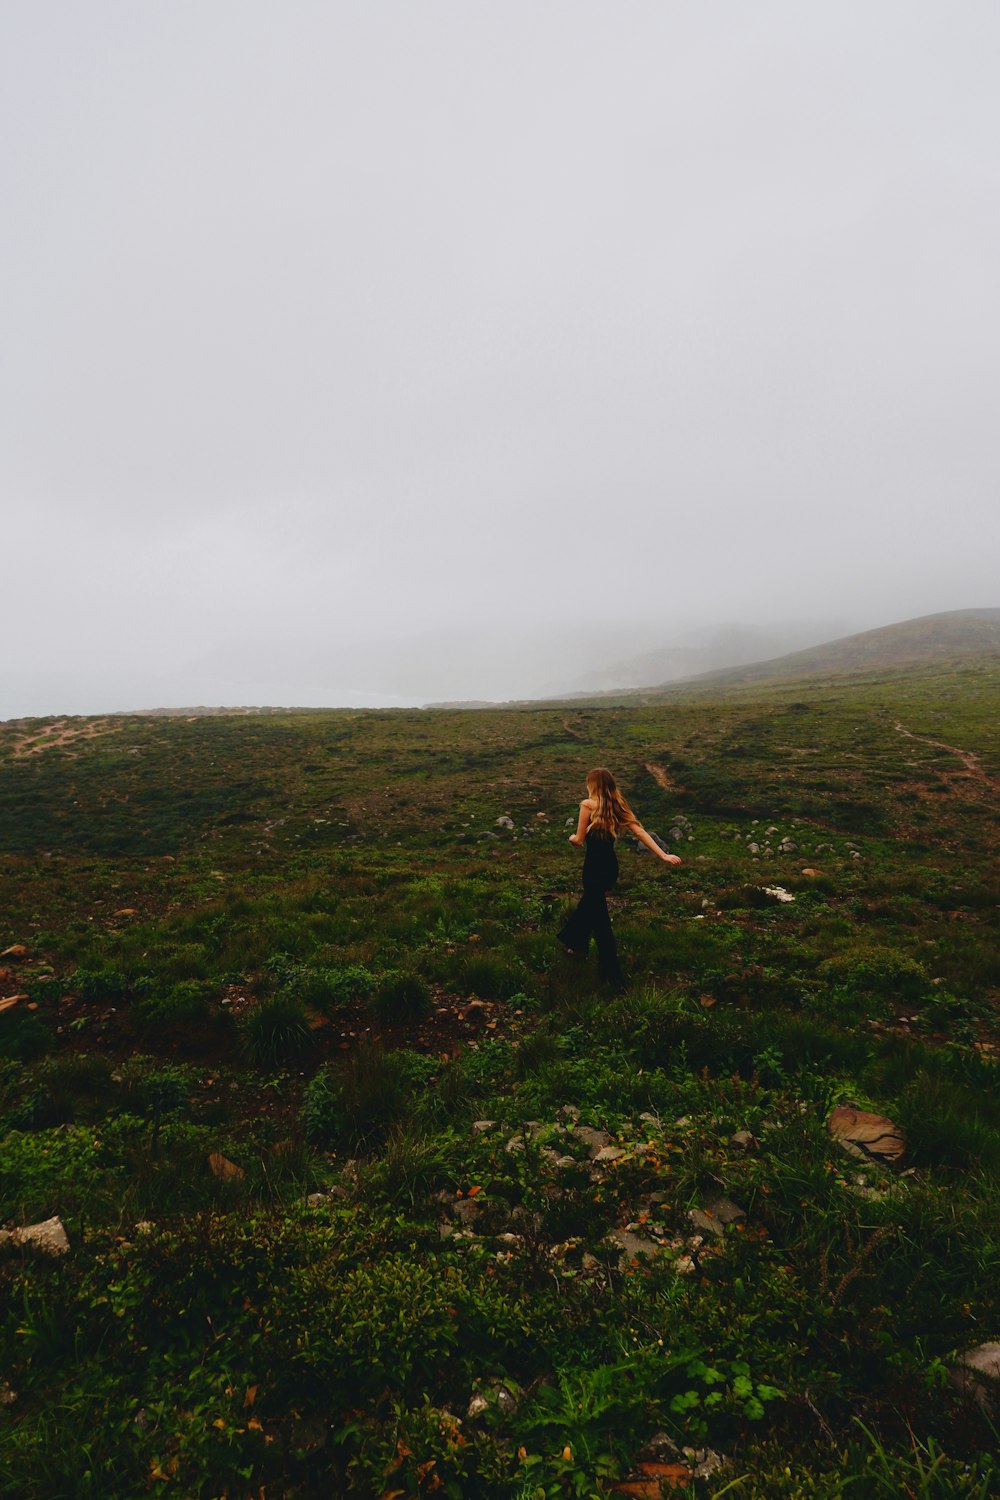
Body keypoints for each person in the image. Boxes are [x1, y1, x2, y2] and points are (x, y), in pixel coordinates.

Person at [558, 767, 682, 989]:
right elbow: (640, 833)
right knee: (593, 908)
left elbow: (578, 840)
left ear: (592, 784)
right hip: (610, 868)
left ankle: (612, 975)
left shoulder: (587, 805)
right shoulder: (619, 805)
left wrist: (571, 838)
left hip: (593, 867)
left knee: (601, 921)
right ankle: (578, 946)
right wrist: (663, 855)